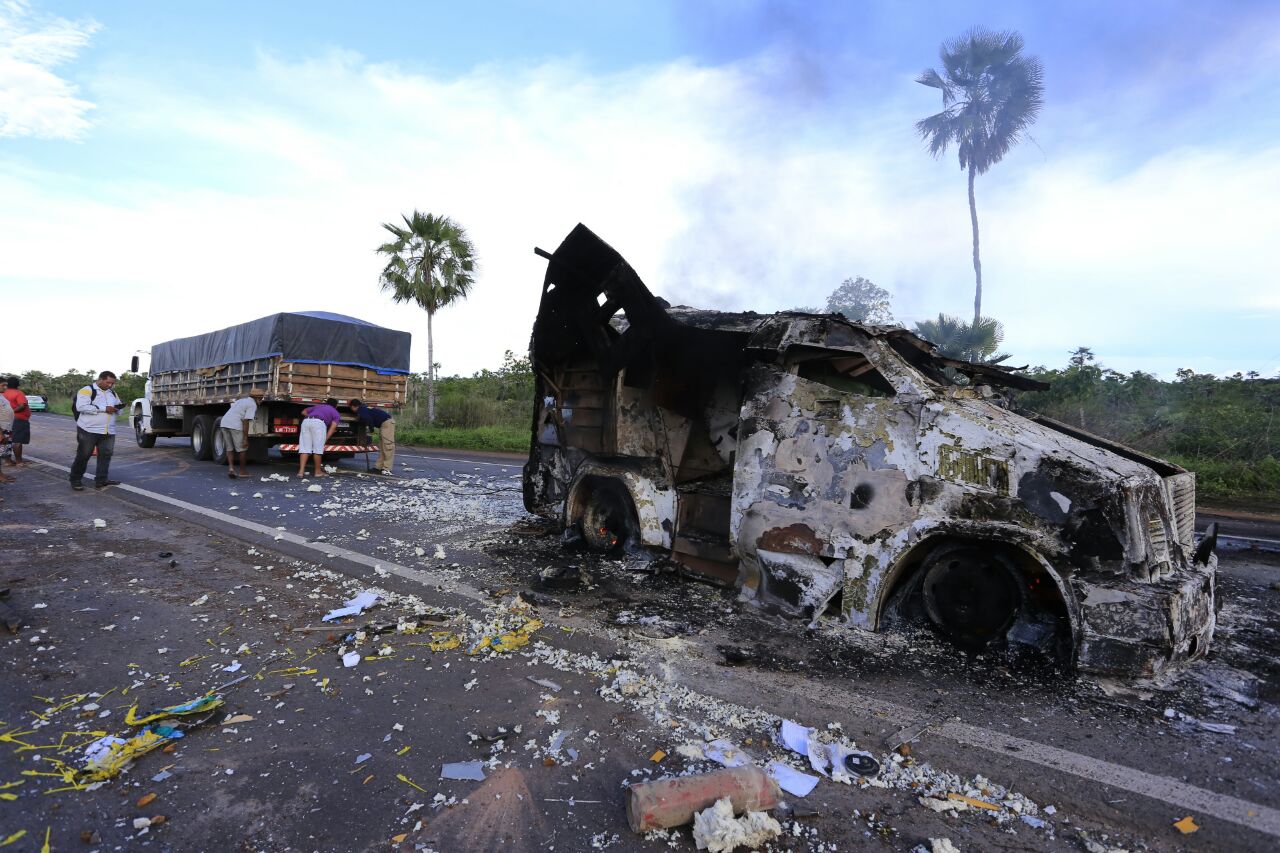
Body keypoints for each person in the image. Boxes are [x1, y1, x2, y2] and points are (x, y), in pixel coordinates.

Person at [69, 371, 124, 491]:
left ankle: (101, 480)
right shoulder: (87, 390)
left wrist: (118, 409)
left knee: (106, 455)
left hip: (108, 431)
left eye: (112, 383)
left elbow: (118, 406)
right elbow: (81, 407)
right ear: (100, 379)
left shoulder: (112, 393)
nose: (110, 385)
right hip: (88, 429)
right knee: (83, 455)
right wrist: (104, 409)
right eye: (108, 382)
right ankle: (75, 479)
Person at [219, 387, 266, 478]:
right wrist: (245, 438)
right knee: (242, 449)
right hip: (235, 425)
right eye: (261, 398)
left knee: (229, 448)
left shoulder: (241, 401)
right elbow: (245, 421)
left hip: (224, 423)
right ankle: (243, 471)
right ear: (257, 398)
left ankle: (231, 469)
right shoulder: (252, 405)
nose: (261, 400)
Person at [348, 398, 396, 475]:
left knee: (388, 447)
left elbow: (368, 420)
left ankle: (387, 469)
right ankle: (378, 467)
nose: (352, 410)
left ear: (354, 406)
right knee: (383, 447)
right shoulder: (364, 408)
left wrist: (371, 430)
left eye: (351, 408)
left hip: (387, 424)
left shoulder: (362, 411)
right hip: (384, 425)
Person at [297, 397, 341, 478]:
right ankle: (317, 472)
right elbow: (332, 428)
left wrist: (312, 417)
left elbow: (303, 412)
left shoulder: (318, 406)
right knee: (318, 449)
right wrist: (325, 439)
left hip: (306, 421)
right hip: (319, 423)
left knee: (304, 448)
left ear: (326, 403)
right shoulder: (336, 413)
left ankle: (301, 472)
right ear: (336, 406)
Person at [3, 376, 31, 466]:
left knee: (7, 439)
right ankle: (19, 462)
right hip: (18, 419)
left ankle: (7, 461)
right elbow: (22, 405)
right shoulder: (18, 393)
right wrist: (13, 411)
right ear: (17, 384)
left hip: (6, 419)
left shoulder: (3, 393)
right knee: (17, 440)